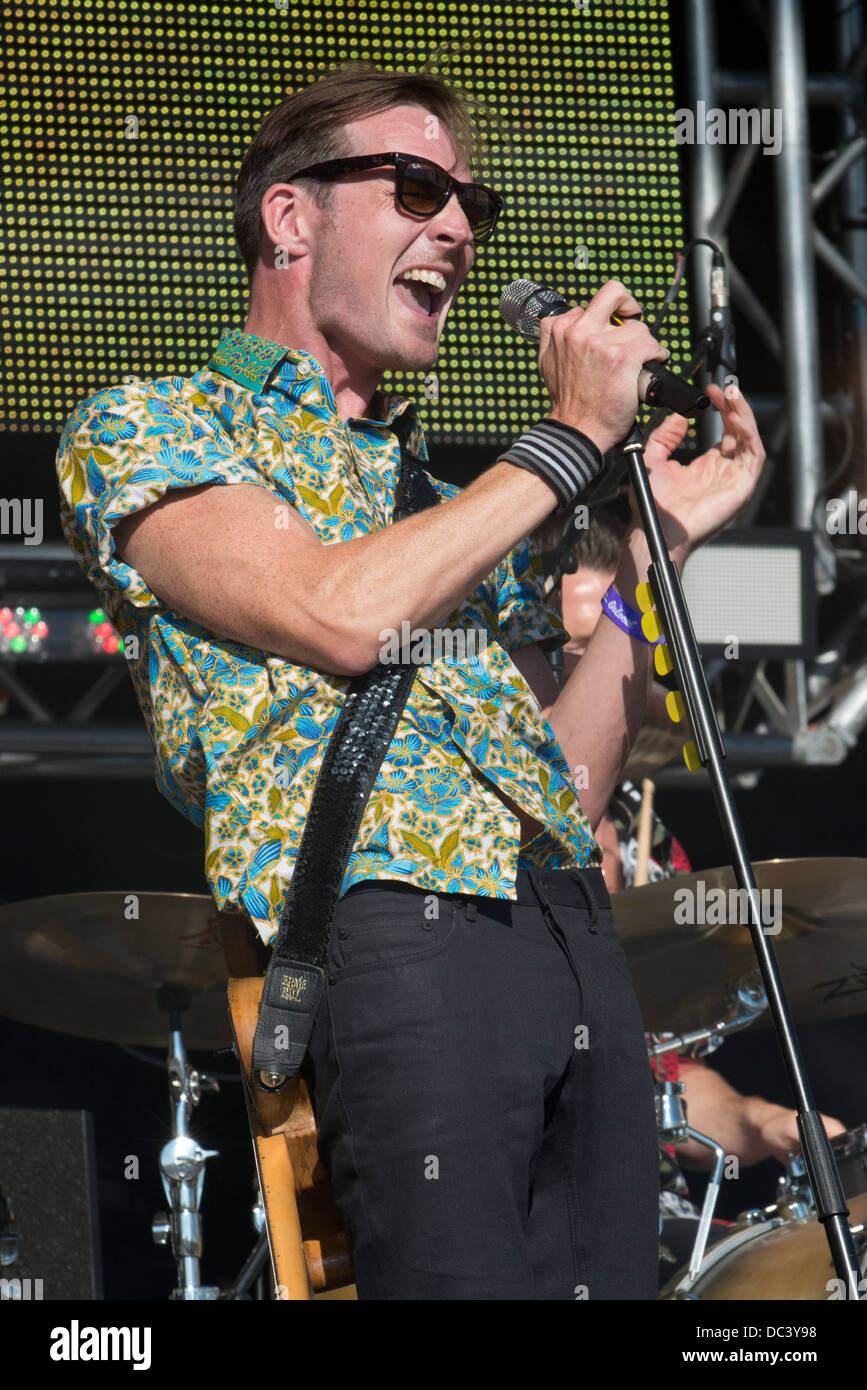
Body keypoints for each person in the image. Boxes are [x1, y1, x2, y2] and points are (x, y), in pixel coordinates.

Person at [55, 59, 766, 1300]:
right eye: (419, 188)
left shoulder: (446, 503)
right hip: (398, 931)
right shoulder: (150, 426)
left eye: (469, 206)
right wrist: (568, 442)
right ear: (292, 216)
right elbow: (334, 613)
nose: (455, 228)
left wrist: (663, 554)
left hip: (571, 933)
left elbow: (572, 775)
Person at [547, 508, 846, 1278]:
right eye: (562, 653)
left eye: (605, 649)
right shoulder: (473, 845)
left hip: (659, 1216)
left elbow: (671, 1082)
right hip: (530, 1207)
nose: (587, 674)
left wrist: (768, 1122)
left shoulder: (647, 841)